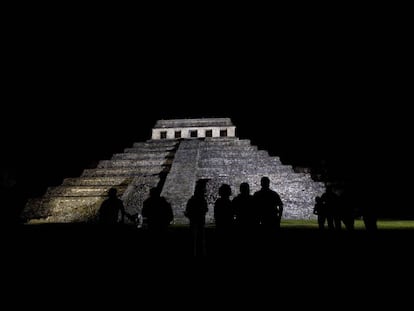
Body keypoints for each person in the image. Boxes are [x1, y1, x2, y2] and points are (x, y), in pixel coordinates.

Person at [185, 181, 208, 256]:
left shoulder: (192, 200)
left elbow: (188, 211)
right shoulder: (202, 200)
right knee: (200, 239)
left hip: (194, 221)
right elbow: (205, 209)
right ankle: (200, 253)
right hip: (200, 221)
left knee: (193, 238)